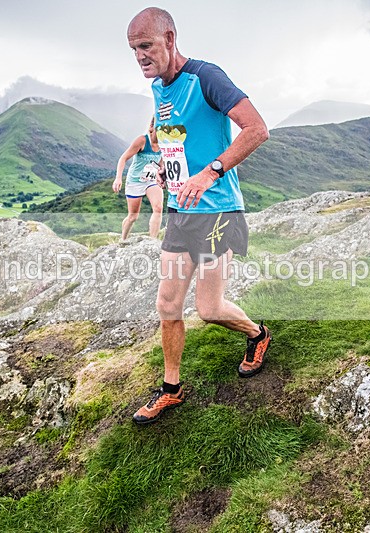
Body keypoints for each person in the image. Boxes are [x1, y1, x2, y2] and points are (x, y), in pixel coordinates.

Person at [127, 7, 271, 425]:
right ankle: (171, 389)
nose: (140, 56)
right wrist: (164, 169)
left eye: (147, 46)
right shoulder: (158, 87)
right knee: (167, 303)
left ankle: (257, 335)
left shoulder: (207, 77)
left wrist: (210, 173)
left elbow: (257, 129)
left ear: (170, 39)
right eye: (134, 49)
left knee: (209, 309)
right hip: (181, 212)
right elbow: (169, 135)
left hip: (218, 211)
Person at [112, 122, 164, 239]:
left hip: (151, 180)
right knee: (133, 216)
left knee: (158, 208)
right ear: (152, 128)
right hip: (135, 181)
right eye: (160, 129)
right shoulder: (142, 141)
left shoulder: (164, 142)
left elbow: (160, 162)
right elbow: (123, 158)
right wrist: (118, 178)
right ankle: (123, 240)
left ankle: (152, 241)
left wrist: (162, 173)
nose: (163, 132)